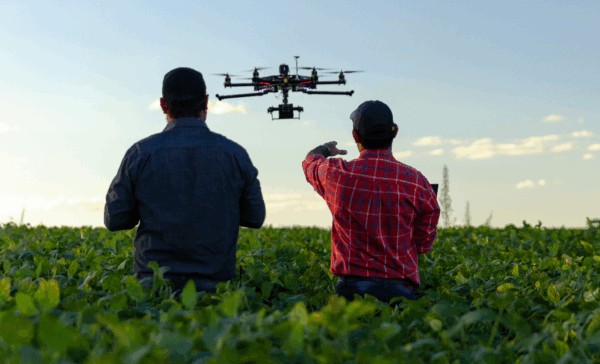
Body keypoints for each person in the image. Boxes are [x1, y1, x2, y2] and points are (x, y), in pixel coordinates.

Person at [104, 67, 440, 306]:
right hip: (216, 289)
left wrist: (324, 149)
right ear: (206, 102)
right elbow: (255, 218)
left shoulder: (139, 154)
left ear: (163, 105)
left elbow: (115, 220)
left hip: (152, 286)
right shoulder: (418, 183)